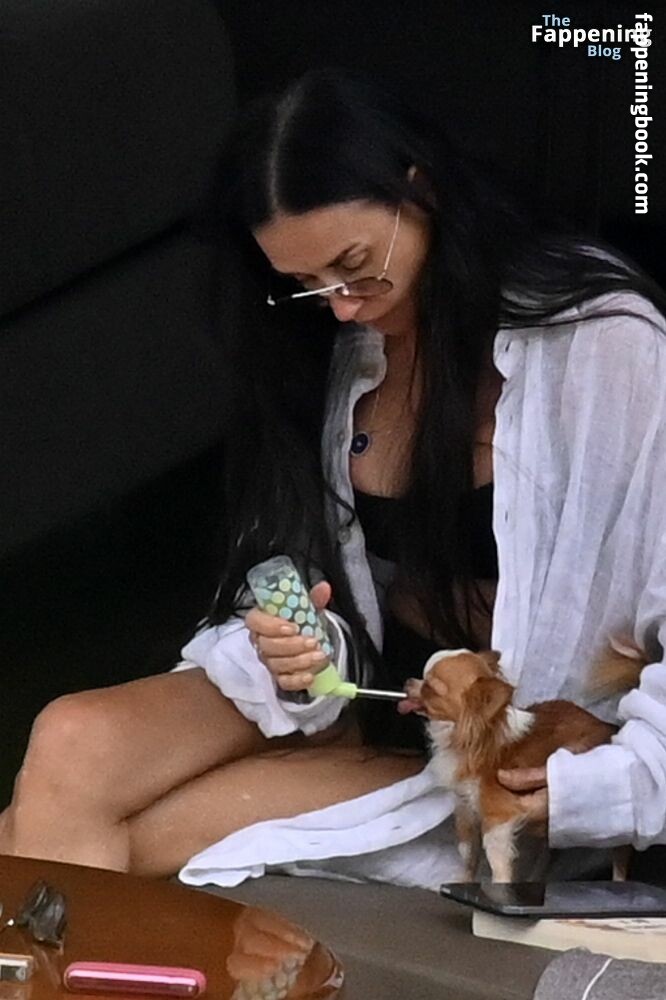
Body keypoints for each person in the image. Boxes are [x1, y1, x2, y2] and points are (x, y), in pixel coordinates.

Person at [2, 67, 666, 889]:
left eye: (354, 265)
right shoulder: (335, 349)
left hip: (494, 756)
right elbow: (301, 581)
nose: (343, 305)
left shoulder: (602, 346)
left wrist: (609, 789)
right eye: (306, 286)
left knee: (76, 842)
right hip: (342, 701)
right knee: (70, 736)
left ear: (421, 191)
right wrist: (291, 636)